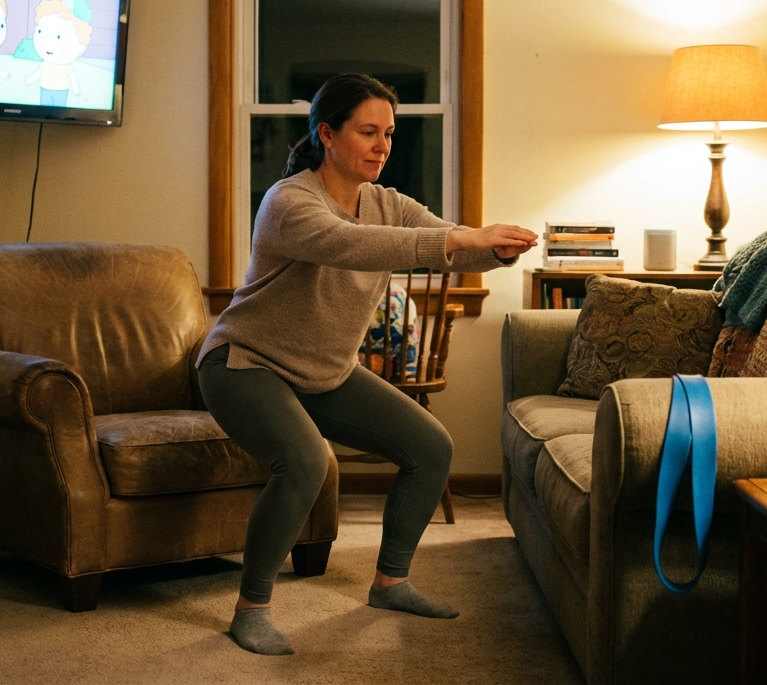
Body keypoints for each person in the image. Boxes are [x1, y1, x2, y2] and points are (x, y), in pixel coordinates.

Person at [197, 73, 538, 656]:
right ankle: (251, 609)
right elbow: (353, 244)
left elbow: (446, 246)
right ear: (327, 135)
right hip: (245, 363)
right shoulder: (290, 201)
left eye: (389, 134)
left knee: (430, 448)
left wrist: (498, 251)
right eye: (368, 132)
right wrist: (464, 238)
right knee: (305, 462)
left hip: (324, 370)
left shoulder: (387, 202)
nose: (382, 146)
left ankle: (390, 583)